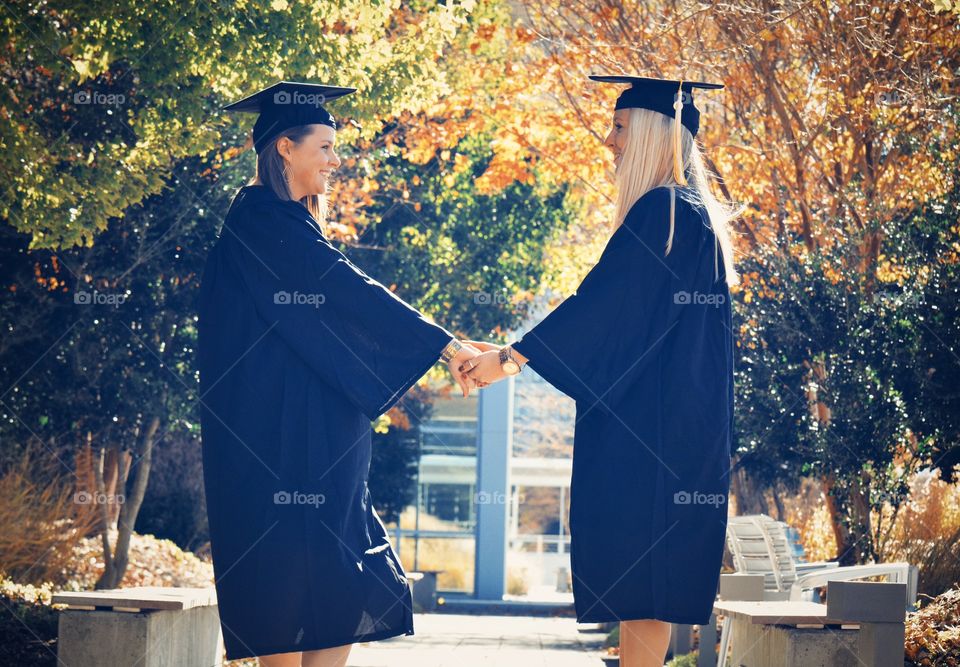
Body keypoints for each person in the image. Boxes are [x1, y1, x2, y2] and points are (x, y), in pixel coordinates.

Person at [198, 81, 481, 667]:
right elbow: (349, 293)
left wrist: (443, 347)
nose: (335, 160)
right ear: (284, 148)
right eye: (324, 146)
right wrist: (445, 346)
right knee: (286, 576)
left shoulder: (287, 223)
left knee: (336, 571)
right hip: (278, 443)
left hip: (316, 438)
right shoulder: (261, 220)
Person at [461, 75, 741, 667]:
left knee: (643, 589)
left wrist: (508, 360)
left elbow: (604, 308)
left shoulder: (664, 213)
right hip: (678, 437)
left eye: (619, 128)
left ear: (650, 134)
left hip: (650, 441)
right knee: (649, 596)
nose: (608, 141)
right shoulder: (694, 218)